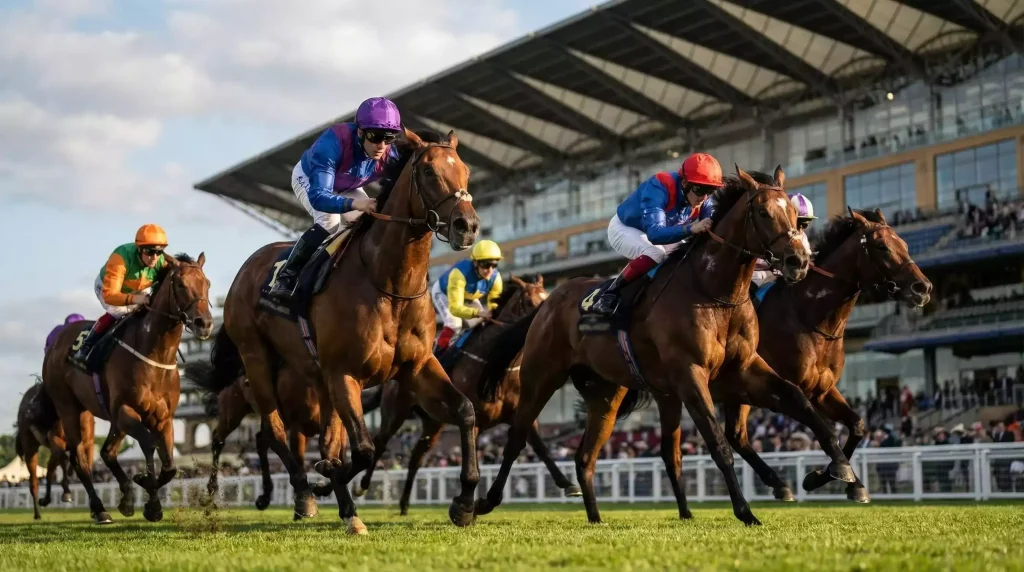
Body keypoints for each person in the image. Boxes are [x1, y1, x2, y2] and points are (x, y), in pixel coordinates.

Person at [267, 97, 403, 302]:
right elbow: (319, 197)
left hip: (348, 185)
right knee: (330, 223)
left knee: (371, 223)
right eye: (375, 137)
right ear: (360, 132)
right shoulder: (332, 144)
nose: (382, 145)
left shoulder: (389, 154)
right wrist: (356, 203)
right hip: (311, 179)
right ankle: (286, 277)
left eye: (389, 138)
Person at [588, 153, 723, 316]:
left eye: (710, 190)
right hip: (624, 228)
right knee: (655, 252)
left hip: (662, 232)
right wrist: (690, 229)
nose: (704, 197)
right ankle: (610, 294)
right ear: (685, 182)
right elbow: (655, 234)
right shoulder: (659, 186)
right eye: (700, 189)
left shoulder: (703, 199)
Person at [70, 224, 169, 367]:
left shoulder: (161, 260)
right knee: (118, 311)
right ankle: (86, 347)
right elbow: (110, 296)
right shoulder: (121, 257)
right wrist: (134, 299)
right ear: (139, 248)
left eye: (159, 252)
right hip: (108, 288)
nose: (154, 257)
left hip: (139, 289)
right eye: (149, 251)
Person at [431, 240, 504, 353]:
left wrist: (491, 312)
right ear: (475, 263)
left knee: (484, 322)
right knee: (454, 324)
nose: (490, 270)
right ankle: (438, 354)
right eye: (486, 264)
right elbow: (455, 309)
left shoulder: (496, 278)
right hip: (443, 292)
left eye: (494, 265)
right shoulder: (459, 274)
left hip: (467, 295)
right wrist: (478, 313)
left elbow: (494, 304)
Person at [752, 192, 816, 290]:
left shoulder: (803, 237)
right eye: (798, 223)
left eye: (805, 225)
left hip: (781, 276)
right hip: (758, 275)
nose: (800, 229)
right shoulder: (768, 232)